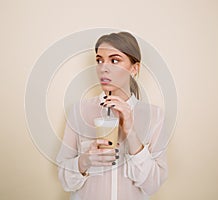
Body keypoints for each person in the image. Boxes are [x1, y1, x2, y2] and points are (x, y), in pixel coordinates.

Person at [56, 32, 168, 200]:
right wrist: (85, 161)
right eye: (99, 60)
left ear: (134, 68)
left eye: (114, 60)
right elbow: (64, 180)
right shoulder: (79, 111)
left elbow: (152, 185)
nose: (103, 67)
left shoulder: (154, 116)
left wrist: (131, 132)